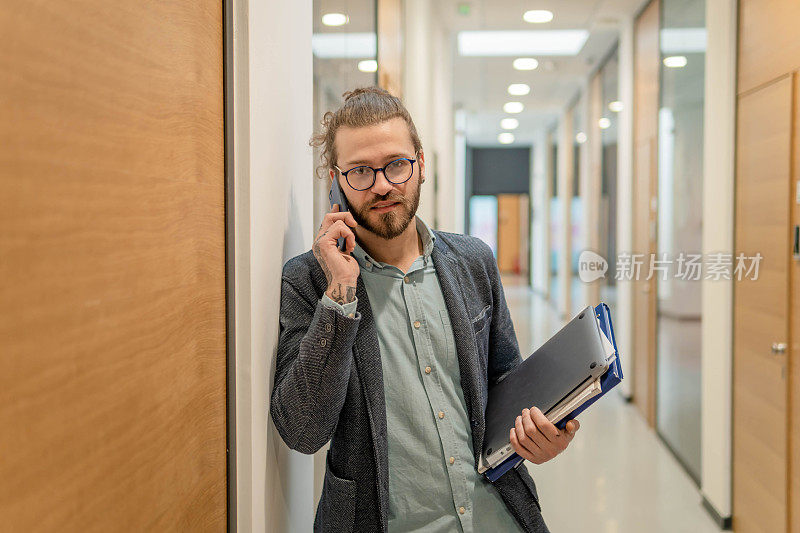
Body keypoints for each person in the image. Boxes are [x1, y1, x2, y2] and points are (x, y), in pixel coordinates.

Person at [270, 86, 579, 533]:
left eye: (396, 165)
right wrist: (341, 293)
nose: (382, 186)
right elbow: (303, 430)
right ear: (336, 178)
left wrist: (540, 435)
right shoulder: (311, 281)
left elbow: (507, 384)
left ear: (419, 163)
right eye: (360, 171)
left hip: (499, 517)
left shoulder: (472, 261)